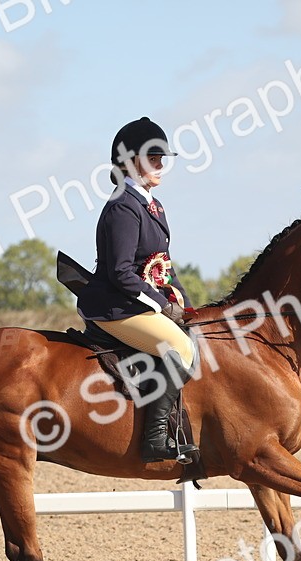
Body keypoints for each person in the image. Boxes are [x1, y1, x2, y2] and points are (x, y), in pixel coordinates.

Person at [76, 117, 197, 463]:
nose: (161, 164)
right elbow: (121, 273)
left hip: (135, 302)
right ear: (130, 163)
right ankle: (155, 438)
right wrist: (163, 306)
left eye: (162, 158)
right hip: (114, 306)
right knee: (179, 348)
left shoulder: (151, 205)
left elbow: (164, 266)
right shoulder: (123, 207)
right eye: (153, 157)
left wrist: (187, 307)